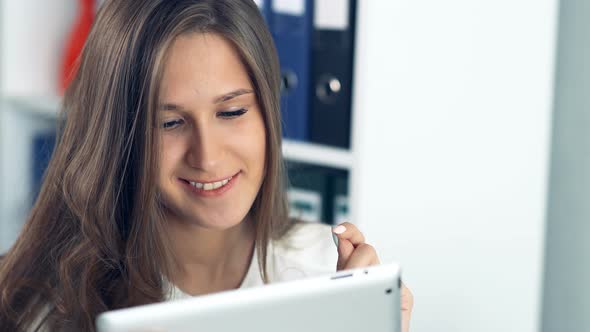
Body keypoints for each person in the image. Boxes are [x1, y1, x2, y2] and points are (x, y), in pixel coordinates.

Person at [0, 0, 413, 331]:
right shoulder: (47, 308)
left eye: (232, 112)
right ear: (118, 137)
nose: (208, 156)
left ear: (268, 112)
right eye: (170, 123)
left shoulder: (327, 271)